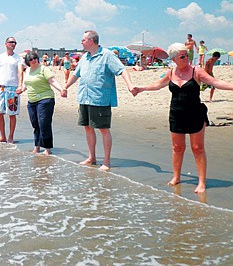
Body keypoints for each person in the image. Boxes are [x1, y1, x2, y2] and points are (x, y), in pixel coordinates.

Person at [132, 43, 233, 193]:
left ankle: (201, 182)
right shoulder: (171, 72)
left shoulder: (196, 71)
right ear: (174, 59)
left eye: (187, 55)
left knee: (197, 148)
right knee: (177, 148)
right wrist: (141, 89)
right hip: (176, 114)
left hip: (195, 114)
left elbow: (215, 82)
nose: (186, 58)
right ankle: (176, 177)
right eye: (182, 56)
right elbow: (158, 84)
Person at [63, 30, 134, 171]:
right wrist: (65, 87)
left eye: (83, 40)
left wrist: (130, 85)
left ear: (91, 41)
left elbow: (122, 70)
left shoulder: (107, 55)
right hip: (84, 98)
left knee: (103, 129)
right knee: (88, 128)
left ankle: (106, 162)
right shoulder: (84, 57)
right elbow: (76, 74)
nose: (81, 42)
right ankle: (92, 157)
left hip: (100, 99)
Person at [18, 52, 64, 155]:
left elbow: (52, 81)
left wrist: (61, 89)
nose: (33, 60)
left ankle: (47, 148)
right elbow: (27, 83)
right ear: (27, 62)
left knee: (44, 124)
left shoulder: (43, 69)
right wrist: (22, 90)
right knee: (35, 124)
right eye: (31, 59)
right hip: (32, 101)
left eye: (35, 58)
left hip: (45, 99)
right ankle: (37, 147)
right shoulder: (28, 70)